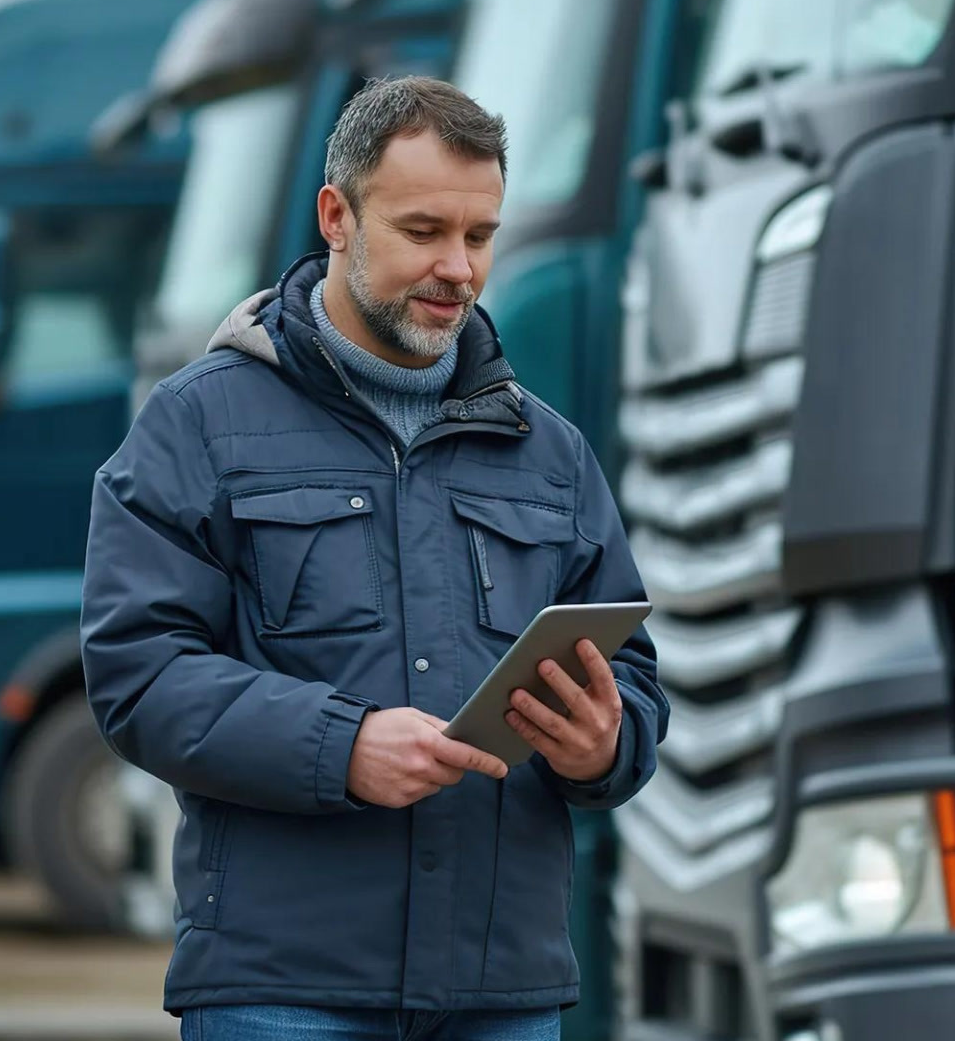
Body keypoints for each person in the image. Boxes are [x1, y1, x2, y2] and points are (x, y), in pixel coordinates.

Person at [81, 76, 667, 1041]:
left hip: (501, 996)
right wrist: (339, 746)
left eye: (479, 237)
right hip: (283, 993)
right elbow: (139, 677)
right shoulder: (198, 425)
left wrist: (606, 743)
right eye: (423, 231)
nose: (458, 268)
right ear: (337, 217)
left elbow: (631, 674)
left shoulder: (550, 454)